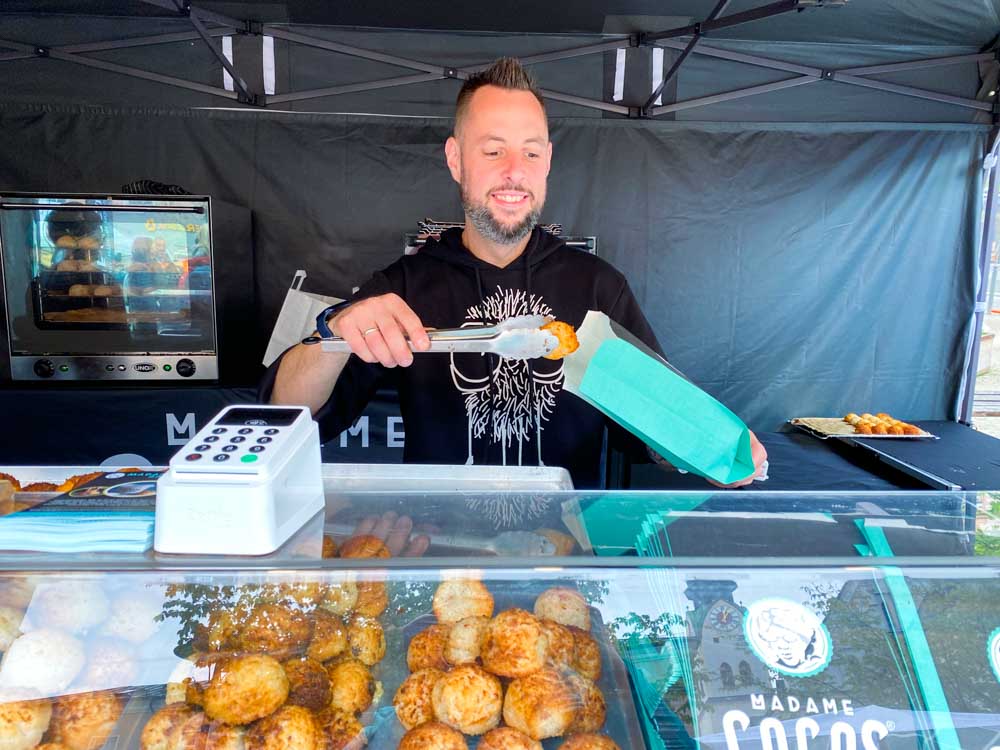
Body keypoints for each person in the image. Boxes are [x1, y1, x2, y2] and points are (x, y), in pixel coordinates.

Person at [261, 57, 767, 489]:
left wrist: (712, 445)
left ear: (546, 161)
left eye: (530, 151)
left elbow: (656, 429)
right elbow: (288, 415)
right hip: (441, 562)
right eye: (492, 150)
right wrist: (334, 331)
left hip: (567, 562)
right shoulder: (405, 287)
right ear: (456, 160)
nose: (513, 170)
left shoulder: (598, 286)